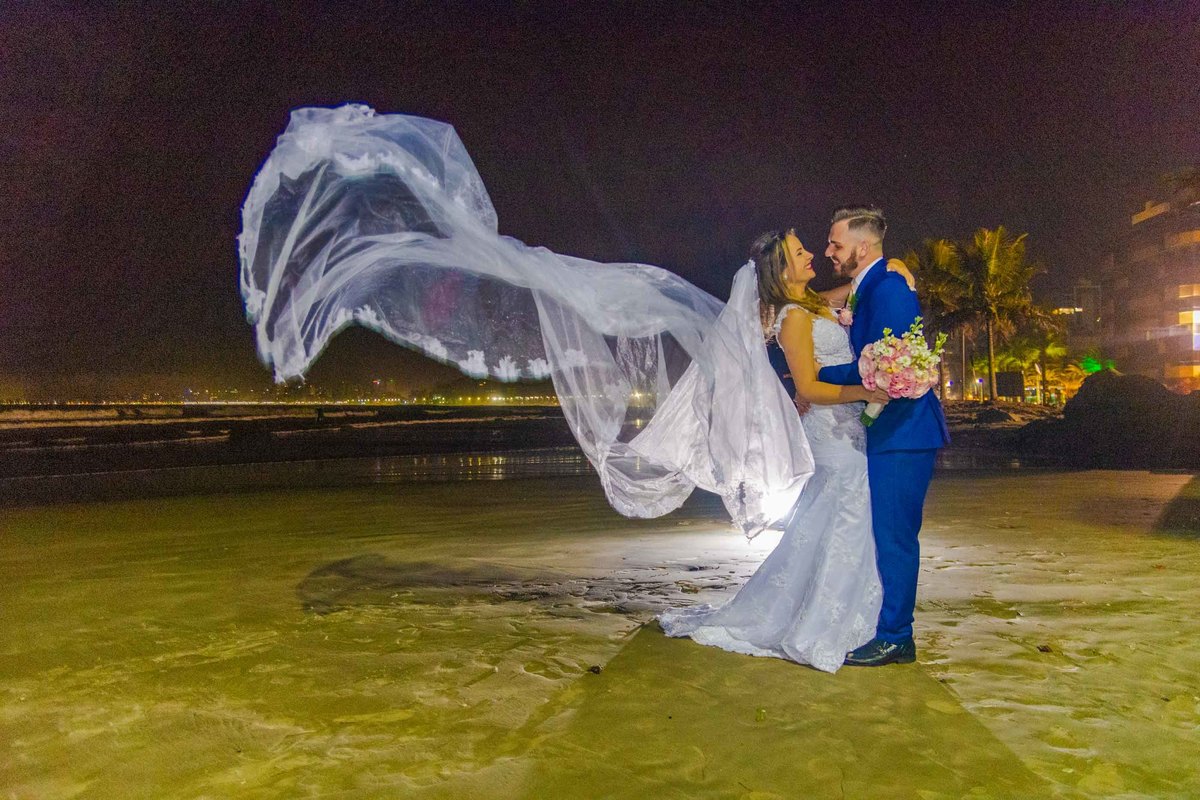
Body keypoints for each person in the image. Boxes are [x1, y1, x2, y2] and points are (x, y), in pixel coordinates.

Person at [658, 230, 891, 672]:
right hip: (832, 432)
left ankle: (845, 613)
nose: (811, 256)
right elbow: (808, 387)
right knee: (846, 518)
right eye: (800, 253)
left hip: (845, 429)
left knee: (833, 521)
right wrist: (866, 389)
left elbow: (848, 289)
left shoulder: (813, 304)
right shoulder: (794, 317)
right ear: (782, 272)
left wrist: (887, 267)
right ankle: (823, 625)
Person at [818, 206, 950, 667]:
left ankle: (897, 636)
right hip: (886, 431)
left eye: (836, 243)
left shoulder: (891, 287)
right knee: (886, 534)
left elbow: (887, 363)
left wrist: (810, 374)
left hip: (904, 433)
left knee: (895, 537)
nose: (829, 252)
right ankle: (887, 626)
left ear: (864, 245)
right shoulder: (869, 285)